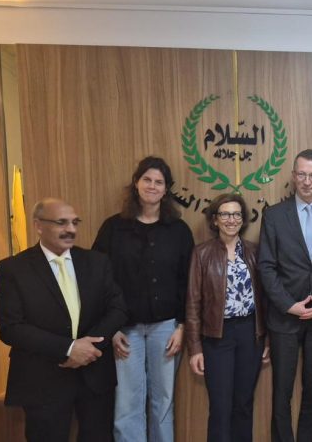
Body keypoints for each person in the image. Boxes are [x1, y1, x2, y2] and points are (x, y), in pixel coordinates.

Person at [0, 198, 128, 442]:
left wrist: (89, 348)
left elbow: (118, 308)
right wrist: (68, 348)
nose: (71, 229)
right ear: (38, 225)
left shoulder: (97, 262)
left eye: (75, 222)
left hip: (94, 376)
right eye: (61, 222)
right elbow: (11, 328)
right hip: (42, 378)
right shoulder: (13, 269)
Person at [92, 156, 194, 442]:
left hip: (167, 328)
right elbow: (99, 281)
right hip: (125, 330)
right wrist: (110, 329)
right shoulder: (113, 228)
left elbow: (188, 282)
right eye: (147, 179)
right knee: (128, 403)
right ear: (136, 183)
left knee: (163, 401)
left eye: (159, 182)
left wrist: (182, 326)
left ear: (166, 189)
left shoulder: (179, 230)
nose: (152, 186)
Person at [258, 148, 312, 442]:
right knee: (282, 391)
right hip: (284, 318)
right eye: (302, 174)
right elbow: (266, 266)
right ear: (293, 176)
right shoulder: (273, 215)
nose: (307, 181)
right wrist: (288, 305)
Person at [185, 193, 270, 442]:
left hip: (250, 335)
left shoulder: (255, 252)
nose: (231, 219)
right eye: (225, 214)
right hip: (217, 337)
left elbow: (266, 299)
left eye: (236, 214)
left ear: (243, 219)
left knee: (243, 404)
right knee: (220, 407)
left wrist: (266, 338)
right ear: (215, 219)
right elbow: (193, 302)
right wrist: (194, 348)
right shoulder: (202, 253)